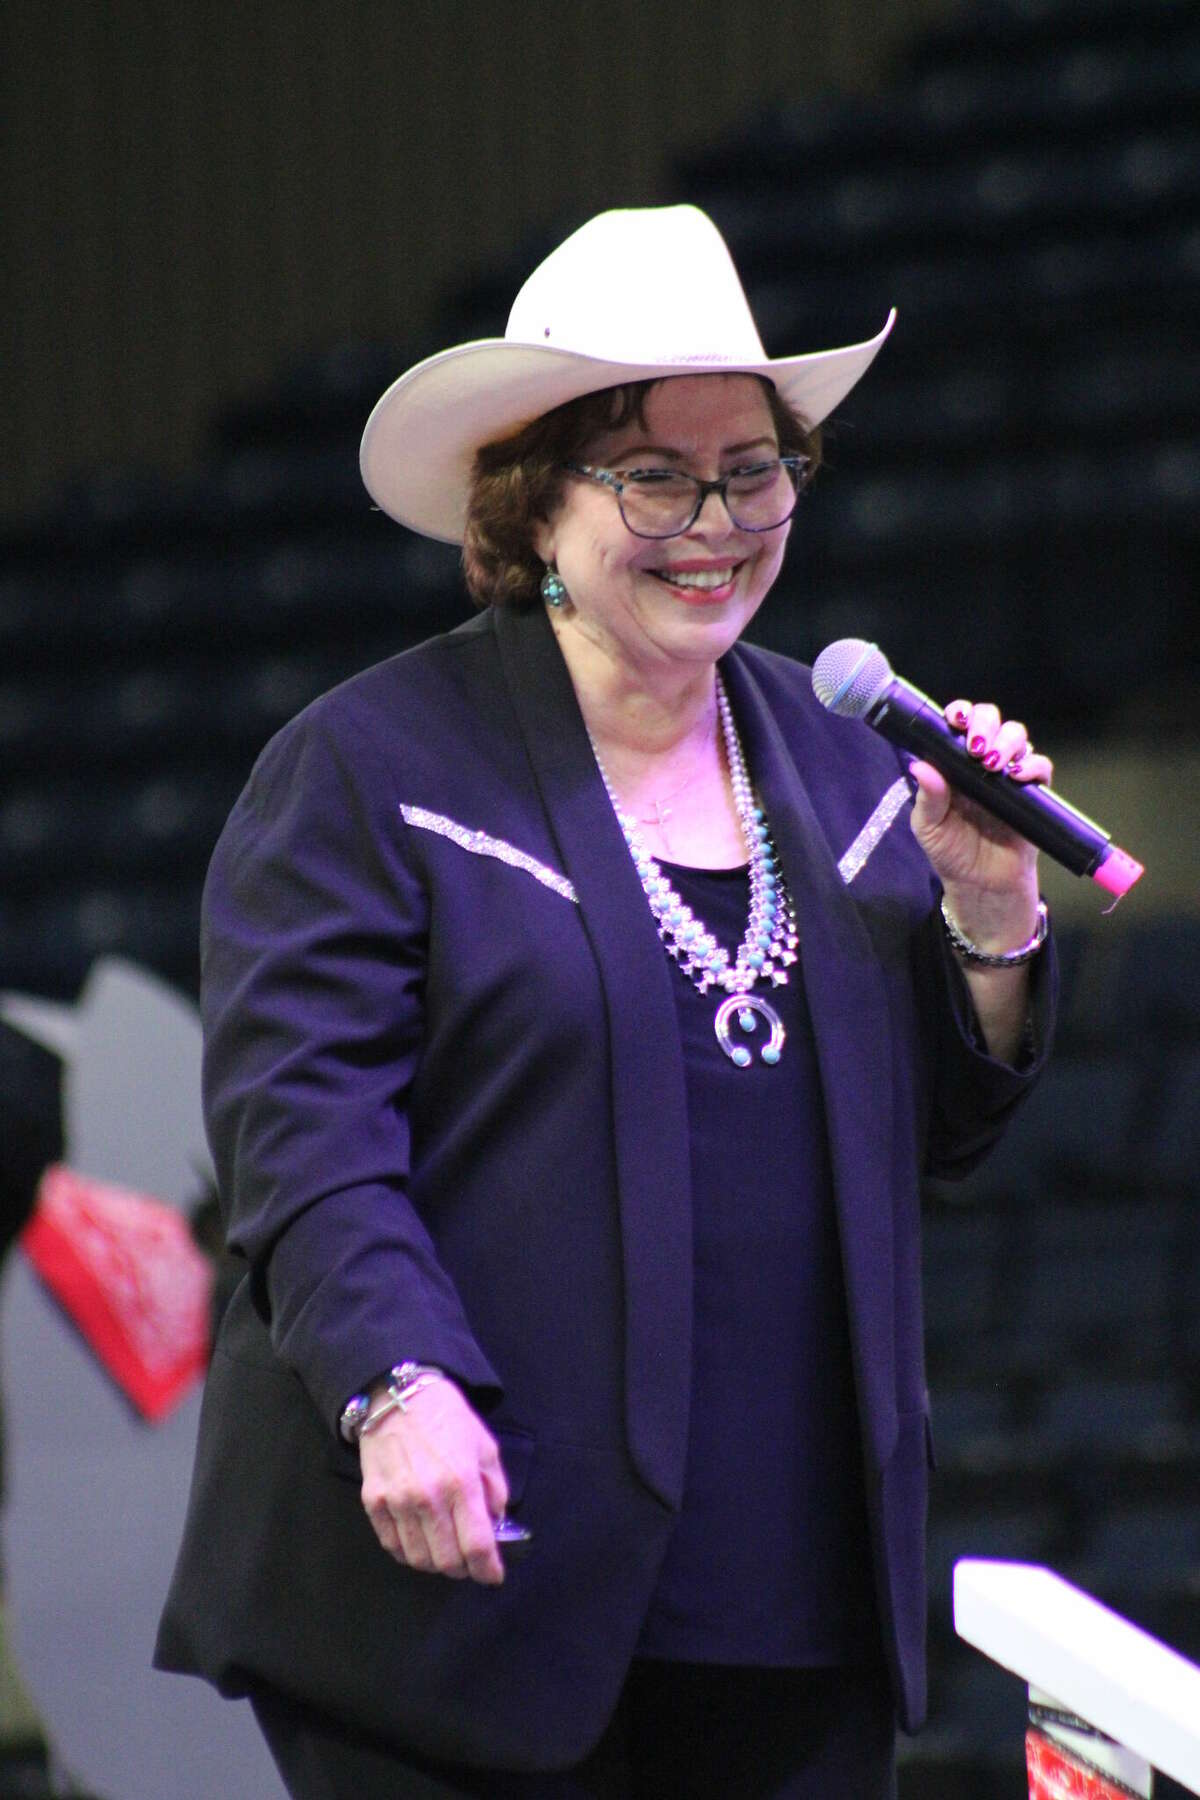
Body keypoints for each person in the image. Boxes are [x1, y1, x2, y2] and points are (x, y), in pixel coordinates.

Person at [156, 205, 1056, 1798]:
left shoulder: (857, 766)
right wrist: (394, 1380)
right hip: (464, 1590)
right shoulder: (372, 767)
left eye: (753, 468)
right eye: (653, 472)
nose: (715, 518)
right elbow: (304, 1137)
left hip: (790, 1595)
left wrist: (990, 915)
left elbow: (932, 1128)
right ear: (533, 501)